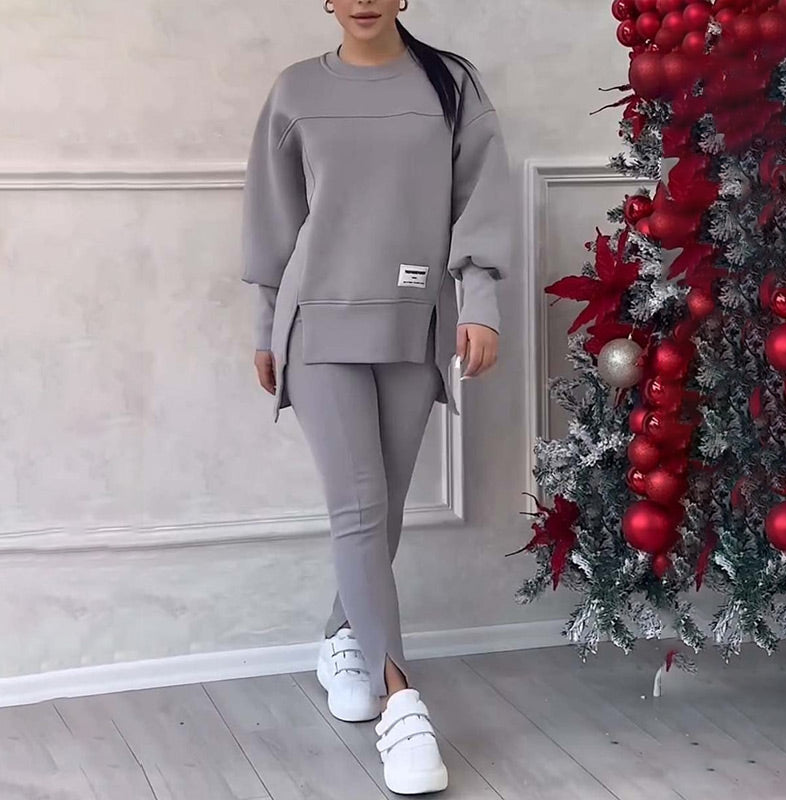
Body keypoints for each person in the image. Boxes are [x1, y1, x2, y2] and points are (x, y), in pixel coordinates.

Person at [240, 0, 513, 793]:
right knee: (359, 507)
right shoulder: (296, 91)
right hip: (315, 327)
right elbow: (272, 222)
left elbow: (480, 201)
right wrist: (264, 329)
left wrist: (481, 304)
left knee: (382, 508)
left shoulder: (451, 85)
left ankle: (343, 637)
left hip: (411, 322)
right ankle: (402, 703)